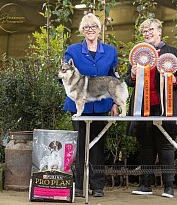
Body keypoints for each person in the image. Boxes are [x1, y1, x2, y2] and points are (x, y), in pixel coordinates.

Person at [125, 18, 177, 198]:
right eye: (144, 31)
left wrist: (173, 80)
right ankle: (146, 185)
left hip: (167, 108)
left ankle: (168, 187)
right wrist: (133, 74)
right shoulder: (138, 54)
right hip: (143, 109)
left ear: (159, 31)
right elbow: (128, 81)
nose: (147, 33)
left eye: (150, 29)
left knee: (166, 146)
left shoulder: (172, 52)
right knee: (145, 147)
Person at [63, 13, 119, 197]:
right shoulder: (72, 50)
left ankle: (97, 186)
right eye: (86, 27)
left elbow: (114, 79)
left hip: (102, 106)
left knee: (98, 146)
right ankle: (79, 186)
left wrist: (115, 103)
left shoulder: (110, 51)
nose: (90, 30)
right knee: (80, 147)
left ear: (99, 29)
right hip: (79, 107)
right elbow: (63, 75)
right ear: (82, 30)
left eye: (93, 27)